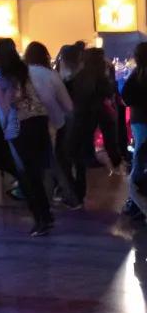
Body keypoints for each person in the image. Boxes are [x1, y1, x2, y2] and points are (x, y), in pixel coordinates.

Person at [0, 40, 53, 235]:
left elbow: (5, 105)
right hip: (39, 121)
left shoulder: (2, 76)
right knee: (35, 172)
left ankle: (40, 219)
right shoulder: (23, 70)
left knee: (26, 175)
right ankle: (46, 215)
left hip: (20, 125)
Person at [24, 41, 76, 207]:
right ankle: (59, 198)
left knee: (35, 163)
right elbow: (68, 105)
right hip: (52, 123)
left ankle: (40, 201)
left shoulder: (22, 73)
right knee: (50, 162)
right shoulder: (51, 75)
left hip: (25, 123)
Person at [68, 48, 120, 206]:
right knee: (108, 140)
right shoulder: (102, 77)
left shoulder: (79, 76)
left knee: (77, 154)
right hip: (99, 113)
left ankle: (78, 192)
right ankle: (116, 163)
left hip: (81, 116)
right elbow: (109, 92)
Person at [121, 43, 147, 217]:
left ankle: (136, 199)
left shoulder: (136, 75)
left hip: (140, 120)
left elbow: (126, 97)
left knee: (139, 157)